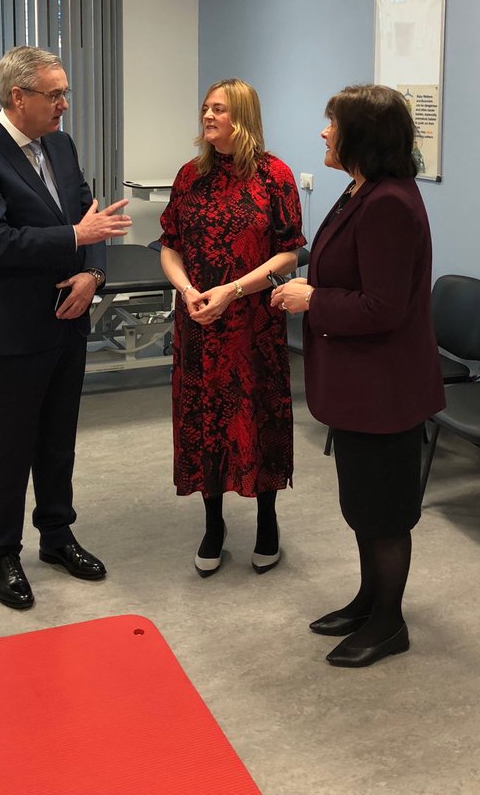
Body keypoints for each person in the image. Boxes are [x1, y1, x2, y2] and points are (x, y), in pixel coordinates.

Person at [0, 45, 132, 610]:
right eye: (54, 95)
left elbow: (91, 218)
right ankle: (3, 552)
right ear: (17, 96)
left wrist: (93, 275)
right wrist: (76, 238)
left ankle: (56, 535)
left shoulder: (61, 144)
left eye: (64, 93)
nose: (64, 104)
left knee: (58, 436)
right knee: (13, 443)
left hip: (70, 316)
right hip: (17, 323)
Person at [271, 84, 444, 668]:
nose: (324, 132)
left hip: (384, 391)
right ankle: (370, 601)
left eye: (333, 124)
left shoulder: (389, 203)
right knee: (364, 506)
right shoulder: (361, 189)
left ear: (362, 137)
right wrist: (313, 287)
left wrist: (312, 300)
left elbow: (383, 308)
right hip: (359, 385)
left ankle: (389, 623)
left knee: (385, 514)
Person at [159, 79, 305, 577]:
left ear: (242, 116)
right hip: (199, 321)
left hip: (252, 323)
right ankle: (213, 524)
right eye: (205, 108)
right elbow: (170, 246)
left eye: (218, 109)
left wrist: (233, 290)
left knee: (259, 417)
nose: (207, 116)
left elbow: (289, 254)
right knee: (205, 421)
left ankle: (267, 520)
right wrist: (187, 290)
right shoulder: (190, 176)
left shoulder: (274, 176)